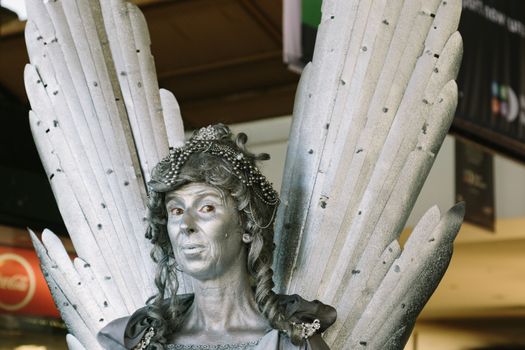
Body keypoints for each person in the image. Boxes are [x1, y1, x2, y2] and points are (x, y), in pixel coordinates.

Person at [97, 124, 336, 349]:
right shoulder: (140, 340)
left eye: (207, 208)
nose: (185, 225)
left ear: (247, 225)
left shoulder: (292, 343)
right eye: (176, 210)